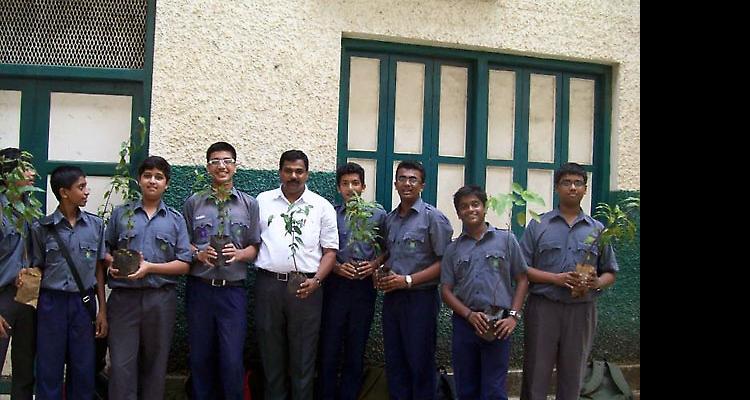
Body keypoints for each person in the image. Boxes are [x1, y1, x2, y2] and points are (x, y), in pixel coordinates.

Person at [519, 162, 618, 400]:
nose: (572, 188)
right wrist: (555, 278)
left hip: (581, 310)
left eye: (578, 183)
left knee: (573, 374)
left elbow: (610, 272)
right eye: (566, 183)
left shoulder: (597, 229)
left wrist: (596, 282)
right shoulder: (539, 225)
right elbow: (522, 269)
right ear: (556, 188)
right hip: (544, 307)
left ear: (585, 189)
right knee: (536, 372)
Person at [105, 156, 192, 399]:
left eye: (159, 177)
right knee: (121, 365)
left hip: (160, 300)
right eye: (147, 176)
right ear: (139, 180)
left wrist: (150, 268)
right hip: (124, 299)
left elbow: (184, 264)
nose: (152, 181)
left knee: (155, 364)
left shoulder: (175, 220)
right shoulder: (121, 214)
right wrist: (112, 264)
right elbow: (105, 250)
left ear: (167, 184)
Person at [255, 149, 338, 400]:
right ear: (280, 172)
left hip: (307, 287)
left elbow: (330, 251)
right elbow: (252, 241)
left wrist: (316, 281)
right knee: (270, 354)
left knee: (304, 356)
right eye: (288, 171)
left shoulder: (321, 206)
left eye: (299, 171)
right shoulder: (262, 201)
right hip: (268, 286)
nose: (293, 176)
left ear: (307, 174)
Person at [182, 142, 261, 399]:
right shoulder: (194, 203)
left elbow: (255, 247)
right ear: (208, 167)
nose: (221, 166)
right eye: (215, 161)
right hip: (200, 290)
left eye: (227, 161)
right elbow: (183, 244)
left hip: (233, 292)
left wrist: (239, 254)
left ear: (235, 166)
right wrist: (198, 253)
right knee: (200, 356)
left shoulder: (248, 204)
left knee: (232, 358)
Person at [25, 165, 108, 399]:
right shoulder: (42, 228)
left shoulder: (95, 226)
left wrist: (102, 310)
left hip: (83, 302)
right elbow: (36, 267)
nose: (87, 191)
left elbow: (99, 269)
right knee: (48, 366)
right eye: (81, 187)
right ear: (64, 192)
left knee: (83, 367)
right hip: (51, 303)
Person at [440, 185, 528, 400]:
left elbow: (522, 278)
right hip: (465, 324)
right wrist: (469, 315)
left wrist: (513, 317)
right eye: (464, 207)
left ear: (485, 207)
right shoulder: (453, 249)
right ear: (458, 213)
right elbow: (446, 291)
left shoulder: (506, 240)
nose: (470, 209)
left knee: (494, 388)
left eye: (475, 204)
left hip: (498, 323)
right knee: (466, 387)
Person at [376, 160, 453, 400]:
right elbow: (390, 254)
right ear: (395, 183)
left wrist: (408, 280)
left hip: (421, 299)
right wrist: (379, 270)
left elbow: (444, 263)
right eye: (402, 178)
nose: (407, 184)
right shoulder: (390, 219)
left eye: (413, 179)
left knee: (420, 361)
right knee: (395, 360)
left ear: (422, 185)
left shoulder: (433, 218)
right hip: (393, 298)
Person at [319, 162, 386, 400]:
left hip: (363, 287)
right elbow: (319, 248)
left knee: (356, 346)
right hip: (335, 286)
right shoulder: (330, 214)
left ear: (363, 186)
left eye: (355, 183)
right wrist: (337, 268)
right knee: (329, 345)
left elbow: (387, 248)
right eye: (345, 184)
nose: (350, 188)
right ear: (338, 188)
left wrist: (374, 265)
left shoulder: (378, 214)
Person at [0, 147, 37, 399]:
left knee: (25, 366)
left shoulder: (30, 207)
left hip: (27, 293)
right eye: (26, 169)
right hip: (2, 296)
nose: (33, 173)